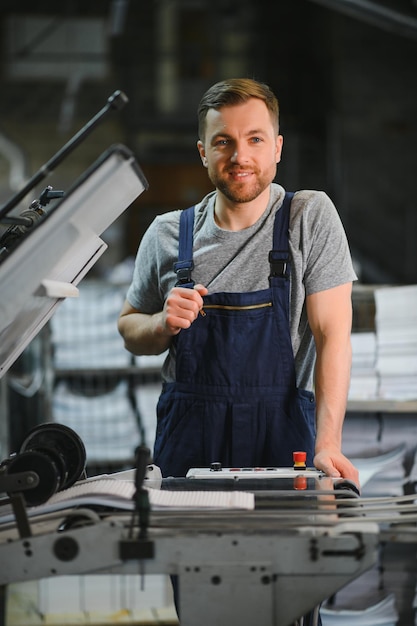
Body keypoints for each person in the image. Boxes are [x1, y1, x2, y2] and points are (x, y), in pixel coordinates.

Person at [118, 76, 358, 626]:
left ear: (277, 146)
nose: (239, 155)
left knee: (287, 600)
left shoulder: (307, 217)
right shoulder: (167, 235)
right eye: (223, 141)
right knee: (202, 599)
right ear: (203, 151)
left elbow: (332, 336)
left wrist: (327, 444)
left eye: (254, 139)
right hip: (190, 441)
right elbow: (129, 327)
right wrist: (161, 323)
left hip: (283, 435)